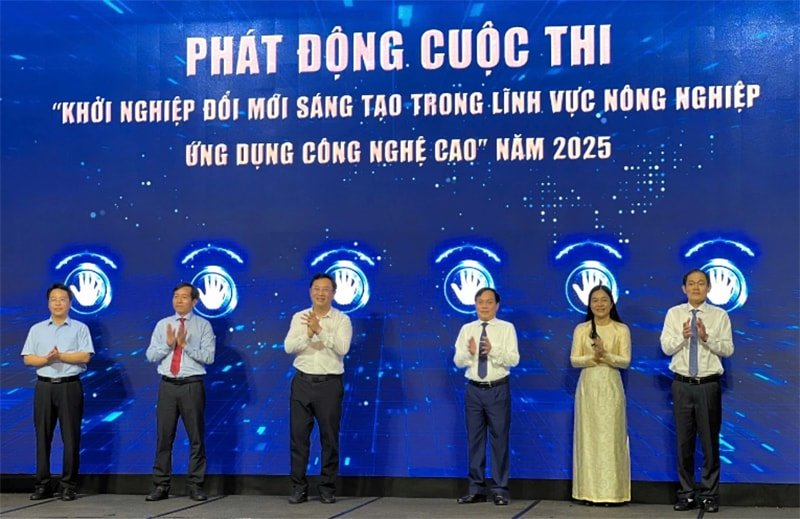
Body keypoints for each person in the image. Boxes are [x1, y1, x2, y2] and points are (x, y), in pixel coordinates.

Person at [660, 269, 734, 514]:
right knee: (684, 443)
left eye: (701, 283)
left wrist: (705, 337)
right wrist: (683, 337)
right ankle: (687, 494)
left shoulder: (719, 315)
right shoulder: (674, 313)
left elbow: (728, 349)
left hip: (708, 386)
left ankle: (709, 495)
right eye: (691, 283)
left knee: (710, 443)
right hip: (681, 385)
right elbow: (666, 347)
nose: (696, 287)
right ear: (684, 288)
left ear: (708, 288)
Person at [21, 283, 94, 501]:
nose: (58, 303)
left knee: (71, 437)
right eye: (53, 299)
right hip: (44, 386)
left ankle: (68, 486)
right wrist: (46, 359)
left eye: (62, 299)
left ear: (70, 303)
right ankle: (42, 485)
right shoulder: (37, 329)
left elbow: (85, 356)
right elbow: (28, 358)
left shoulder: (80, 328)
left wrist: (60, 356)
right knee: (42, 437)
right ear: (48, 303)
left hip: (69, 386)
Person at [284, 273, 352, 504]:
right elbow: (289, 347)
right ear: (310, 291)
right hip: (302, 383)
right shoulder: (299, 317)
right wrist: (308, 333)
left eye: (325, 289)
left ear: (333, 293)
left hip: (329, 385)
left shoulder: (342, 320)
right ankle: (298, 488)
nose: (320, 293)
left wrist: (320, 330)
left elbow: (342, 348)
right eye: (316, 288)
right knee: (298, 438)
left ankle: (327, 488)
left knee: (329, 439)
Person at [145, 282, 215, 502]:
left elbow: (209, 357)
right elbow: (150, 356)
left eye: (184, 297)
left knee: (196, 438)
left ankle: (195, 485)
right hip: (167, 385)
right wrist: (168, 345)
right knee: (164, 438)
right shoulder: (163, 324)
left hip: (192, 385)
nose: (178, 300)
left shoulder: (203, 325)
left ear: (194, 301)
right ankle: (161, 485)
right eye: (176, 296)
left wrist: (185, 345)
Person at [453, 287, 520, 506]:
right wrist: (469, 353)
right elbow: (458, 361)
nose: (484, 306)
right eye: (480, 302)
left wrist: (492, 350)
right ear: (475, 304)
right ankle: (476, 489)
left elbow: (514, 359)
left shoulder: (506, 328)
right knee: (475, 441)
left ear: (497, 305)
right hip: (473, 390)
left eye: (489, 302)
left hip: (497, 389)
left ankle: (500, 490)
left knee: (499, 440)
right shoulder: (467, 329)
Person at [570, 285, 631, 505]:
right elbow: (574, 360)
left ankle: (612, 494)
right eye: (595, 300)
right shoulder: (581, 329)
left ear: (611, 303)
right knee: (588, 438)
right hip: (588, 387)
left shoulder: (621, 329)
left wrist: (605, 355)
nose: (599, 304)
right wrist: (593, 358)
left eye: (604, 300)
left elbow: (625, 361)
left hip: (610, 385)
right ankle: (587, 492)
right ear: (589, 304)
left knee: (611, 438)